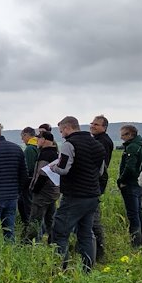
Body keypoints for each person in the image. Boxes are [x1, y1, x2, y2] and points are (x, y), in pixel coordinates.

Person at [51, 116, 105, 271]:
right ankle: (87, 269)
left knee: (60, 233)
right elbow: (100, 171)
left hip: (74, 195)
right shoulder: (97, 145)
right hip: (92, 196)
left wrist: (52, 167)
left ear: (68, 128)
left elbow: (63, 169)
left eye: (62, 131)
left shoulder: (69, 144)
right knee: (86, 233)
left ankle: (60, 269)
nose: (61, 134)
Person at [25, 131, 60, 243]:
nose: (37, 141)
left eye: (38, 139)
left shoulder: (45, 154)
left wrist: (34, 189)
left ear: (44, 140)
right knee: (50, 220)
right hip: (53, 192)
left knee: (35, 220)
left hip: (42, 193)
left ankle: (30, 243)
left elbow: (42, 175)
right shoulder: (55, 153)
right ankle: (54, 242)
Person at [118, 124, 142, 248]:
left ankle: (135, 244)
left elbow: (130, 167)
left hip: (130, 184)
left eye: (123, 135)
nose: (121, 138)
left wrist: (121, 180)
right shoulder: (141, 146)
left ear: (130, 134)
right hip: (140, 183)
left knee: (133, 215)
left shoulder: (132, 147)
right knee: (139, 212)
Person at [89, 115, 115, 261]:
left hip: (96, 182)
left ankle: (99, 250)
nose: (92, 126)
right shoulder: (99, 139)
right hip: (96, 182)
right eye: (92, 123)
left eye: (96, 124)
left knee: (94, 218)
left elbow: (99, 165)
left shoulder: (102, 141)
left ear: (104, 127)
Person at [19, 127, 39, 228]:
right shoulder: (38, 145)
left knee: (28, 207)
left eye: (22, 137)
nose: (22, 140)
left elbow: (28, 167)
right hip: (36, 181)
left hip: (29, 183)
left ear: (27, 135)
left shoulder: (30, 149)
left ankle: (29, 229)